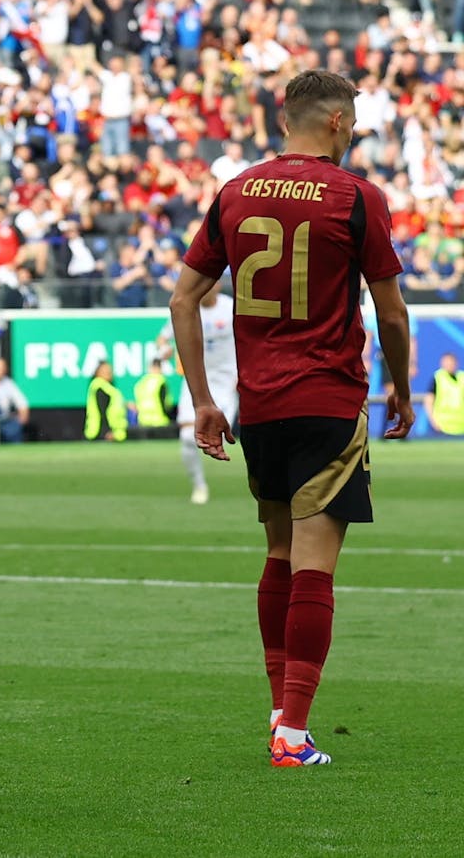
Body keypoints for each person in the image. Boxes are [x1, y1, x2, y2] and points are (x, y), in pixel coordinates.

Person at [171, 69, 413, 769]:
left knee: (278, 554)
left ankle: (281, 714)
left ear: (286, 121)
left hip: (261, 405)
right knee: (314, 566)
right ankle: (293, 731)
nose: (357, 130)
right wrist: (399, 386)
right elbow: (391, 309)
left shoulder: (235, 192)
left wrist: (204, 402)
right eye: (356, 120)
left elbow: (184, 301)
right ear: (336, 121)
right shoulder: (357, 196)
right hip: (330, 399)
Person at [160, 284, 238, 503]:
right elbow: (164, 337)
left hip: (225, 383)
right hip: (196, 381)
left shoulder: (230, 308)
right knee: (187, 438)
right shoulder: (189, 308)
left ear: (218, 285)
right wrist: (164, 349)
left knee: (224, 434)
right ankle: (199, 485)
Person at [83, 361, 128, 441]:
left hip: (114, 432)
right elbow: (102, 411)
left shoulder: (108, 387)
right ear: (98, 373)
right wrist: (106, 432)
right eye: (105, 371)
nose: (108, 373)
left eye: (109, 370)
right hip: (100, 433)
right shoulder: (100, 388)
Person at [422, 352, 463, 435]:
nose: (449, 365)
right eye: (446, 362)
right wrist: (433, 421)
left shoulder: (462, 377)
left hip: (461, 426)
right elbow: (429, 400)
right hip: (442, 426)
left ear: (456, 363)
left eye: (451, 362)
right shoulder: (438, 377)